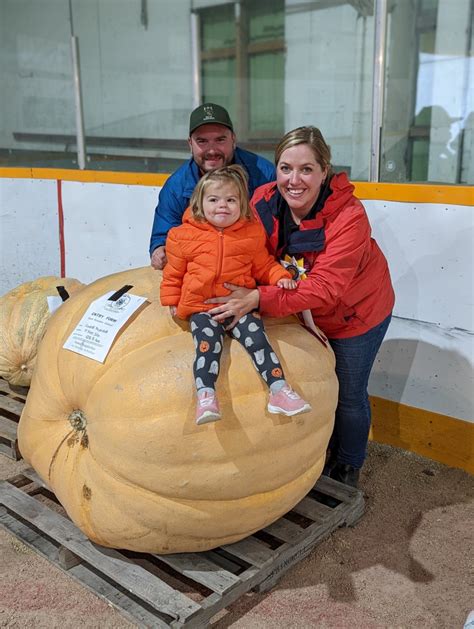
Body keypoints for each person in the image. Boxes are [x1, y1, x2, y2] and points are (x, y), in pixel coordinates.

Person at [206, 126, 395, 487]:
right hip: (298, 308)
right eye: (285, 168)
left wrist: (259, 298)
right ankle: (318, 454)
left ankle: (347, 467)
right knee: (316, 387)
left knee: (348, 394)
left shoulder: (350, 217)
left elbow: (325, 289)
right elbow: (236, 242)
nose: (294, 180)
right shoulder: (261, 201)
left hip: (355, 314)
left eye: (306, 169)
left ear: (325, 171)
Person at [160, 165, 311, 425]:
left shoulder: (251, 233)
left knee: (259, 341)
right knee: (207, 348)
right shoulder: (182, 236)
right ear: (199, 202)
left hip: (239, 305)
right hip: (202, 307)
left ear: (242, 205)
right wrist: (172, 301)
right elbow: (174, 273)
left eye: (231, 200)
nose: (223, 206)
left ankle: (279, 390)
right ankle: (206, 396)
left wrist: (281, 278)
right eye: (214, 200)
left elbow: (263, 265)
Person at [150, 102, 275, 270]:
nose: (211, 150)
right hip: (201, 275)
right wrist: (160, 250)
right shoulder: (176, 186)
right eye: (202, 141)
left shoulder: (264, 174)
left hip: (256, 269)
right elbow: (163, 235)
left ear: (233, 139)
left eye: (220, 140)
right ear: (190, 144)